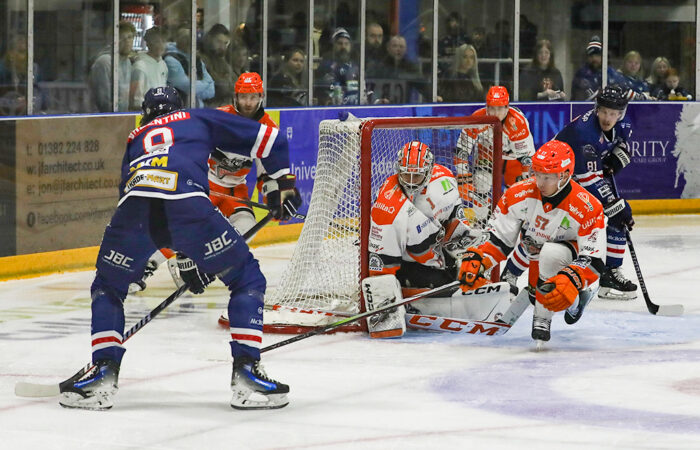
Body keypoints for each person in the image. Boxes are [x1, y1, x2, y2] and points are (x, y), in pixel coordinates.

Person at [58, 86, 301, 411]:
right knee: (246, 279)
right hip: (189, 206)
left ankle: (102, 373)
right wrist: (282, 186)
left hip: (133, 211)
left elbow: (138, 203)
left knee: (107, 287)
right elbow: (272, 140)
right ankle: (247, 375)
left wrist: (142, 262)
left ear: (145, 114)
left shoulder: (135, 136)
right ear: (179, 108)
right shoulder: (195, 117)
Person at [130, 72, 278, 294]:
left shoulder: (268, 131)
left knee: (247, 226)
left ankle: (206, 262)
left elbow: (267, 173)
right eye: (244, 97)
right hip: (203, 183)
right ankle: (142, 267)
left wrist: (273, 195)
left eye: (253, 97)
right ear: (235, 97)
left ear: (261, 97)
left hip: (234, 191)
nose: (248, 103)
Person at [459, 140, 607, 345]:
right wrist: (480, 258)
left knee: (553, 263)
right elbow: (498, 237)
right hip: (533, 248)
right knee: (536, 288)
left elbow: (594, 258)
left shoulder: (588, 206)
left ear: (565, 175)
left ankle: (545, 317)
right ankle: (572, 301)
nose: (540, 183)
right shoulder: (517, 194)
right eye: (537, 174)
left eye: (547, 177)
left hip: (566, 255)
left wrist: (573, 277)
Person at [500, 85, 637, 301]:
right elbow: (589, 180)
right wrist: (614, 203)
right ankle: (510, 274)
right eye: (604, 112)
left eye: (613, 113)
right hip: (553, 178)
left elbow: (623, 146)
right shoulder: (585, 133)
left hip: (575, 177)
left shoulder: (624, 124)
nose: (607, 118)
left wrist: (616, 160)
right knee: (540, 232)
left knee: (615, 217)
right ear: (597, 109)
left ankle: (610, 274)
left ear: (621, 114)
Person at [368, 141, 477, 289]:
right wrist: (383, 288)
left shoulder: (444, 179)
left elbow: (456, 219)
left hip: (432, 251)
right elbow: (383, 258)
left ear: (429, 171)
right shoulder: (388, 205)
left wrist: (463, 253)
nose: (411, 183)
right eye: (406, 175)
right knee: (441, 281)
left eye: (417, 176)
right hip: (404, 261)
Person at [457, 86, 535, 191]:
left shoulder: (517, 122)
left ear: (507, 108)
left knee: (517, 190)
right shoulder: (477, 119)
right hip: (487, 153)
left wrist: (527, 176)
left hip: (513, 157)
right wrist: (463, 176)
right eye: (492, 108)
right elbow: (462, 149)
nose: (496, 113)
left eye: (500, 108)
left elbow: (526, 157)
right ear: (486, 107)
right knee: (481, 184)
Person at [88, 20, 135, 112]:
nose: (127, 41)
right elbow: (104, 102)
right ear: (113, 41)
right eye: (122, 38)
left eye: (130, 37)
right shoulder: (104, 62)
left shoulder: (127, 62)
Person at [164, 27, 215, 107]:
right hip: (180, 108)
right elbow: (190, 87)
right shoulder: (170, 60)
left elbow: (211, 91)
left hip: (199, 108)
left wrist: (199, 88)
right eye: (186, 40)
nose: (190, 44)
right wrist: (205, 84)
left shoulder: (196, 59)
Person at [315, 27, 361, 105]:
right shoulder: (325, 65)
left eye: (346, 44)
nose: (343, 47)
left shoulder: (356, 67)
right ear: (334, 45)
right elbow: (320, 90)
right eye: (340, 43)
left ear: (350, 46)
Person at [571, 36, 620, 101]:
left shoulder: (612, 73)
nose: (594, 59)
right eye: (591, 56)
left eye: (597, 55)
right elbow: (576, 98)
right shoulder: (581, 74)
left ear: (603, 56)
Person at [130, 26, 168, 110]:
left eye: (163, 41)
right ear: (148, 44)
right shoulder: (140, 66)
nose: (161, 45)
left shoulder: (163, 64)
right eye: (156, 41)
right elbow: (136, 101)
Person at [200, 24, 235, 107]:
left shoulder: (221, 61)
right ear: (209, 39)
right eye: (219, 42)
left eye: (225, 43)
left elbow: (236, 84)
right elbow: (221, 88)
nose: (222, 47)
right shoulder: (201, 59)